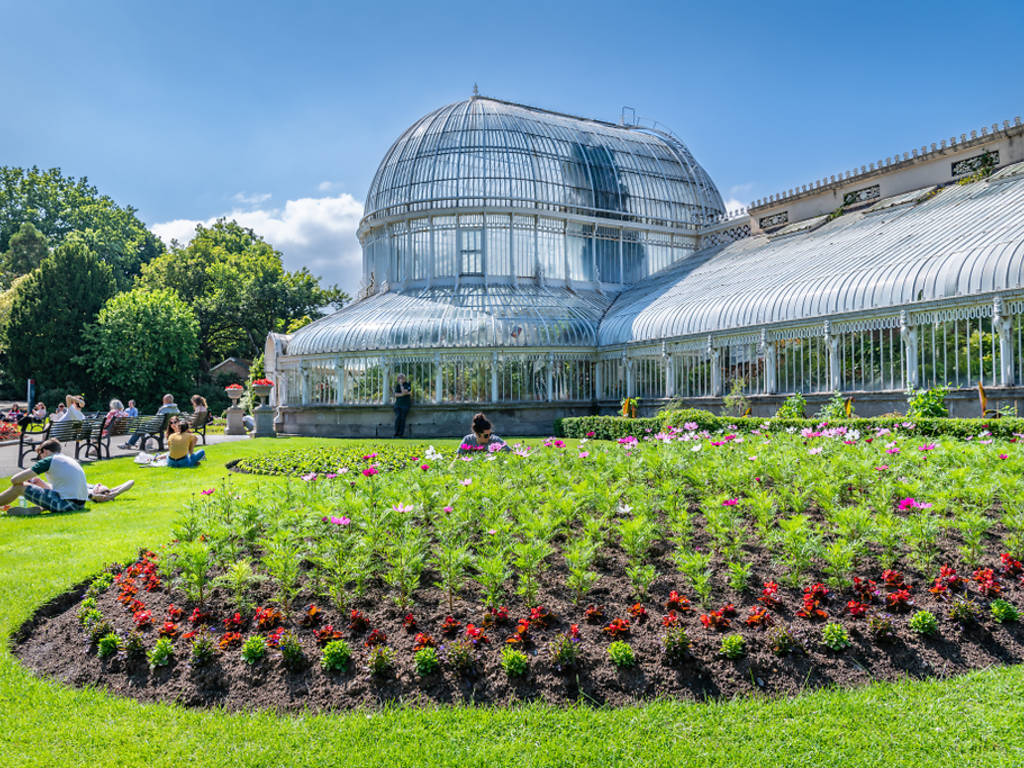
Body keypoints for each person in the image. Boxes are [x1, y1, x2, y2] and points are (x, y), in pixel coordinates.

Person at [0, 438, 89, 515]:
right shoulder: (68, 459)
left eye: (40, 455)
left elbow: (15, 479)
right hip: (79, 505)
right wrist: (38, 485)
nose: (41, 458)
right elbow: (60, 489)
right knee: (38, 490)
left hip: (65, 504)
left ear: (45, 451)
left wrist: (25, 483)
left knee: (19, 487)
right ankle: (40, 508)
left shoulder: (49, 460)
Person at [393, 373, 412, 437]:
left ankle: (401, 434)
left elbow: (405, 391)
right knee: (397, 418)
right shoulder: (397, 386)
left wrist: (401, 386)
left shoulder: (407, 384)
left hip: (405, 404)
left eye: (401, 378)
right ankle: (396, 433)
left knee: (403, 418)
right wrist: (403, 394)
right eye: (399, 378)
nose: (400, 379)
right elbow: (395, 395)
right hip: (398, 405)